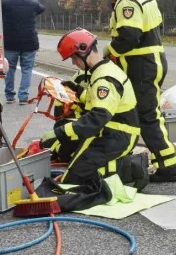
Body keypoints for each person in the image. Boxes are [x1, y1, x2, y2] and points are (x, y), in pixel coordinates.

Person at [102, 0, 176, 183]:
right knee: (145, 114)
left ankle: (169, 166)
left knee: (147, 117)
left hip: (142, 65)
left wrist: (111, 51)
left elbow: (129, 36)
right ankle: (165, 162)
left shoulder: (127, 0)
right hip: (148, 62)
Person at [40, 28, 145, 188]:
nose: (74, 63)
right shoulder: (101, 70)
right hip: (111, 131)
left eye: (74, 58)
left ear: (83, 52)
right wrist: (77, 90)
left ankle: (131, 168)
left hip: (118, 135)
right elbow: (98, 101)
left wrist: (60, 132)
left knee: (75, 179)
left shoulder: (104, 78)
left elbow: (96, 118)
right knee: (73, 170)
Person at [0, 0, 44, 103]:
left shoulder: (4, 3)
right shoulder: (33, 3)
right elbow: (41, 8)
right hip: (30, 43)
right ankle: (23, 97)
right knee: (27, 69)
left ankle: (9, 96)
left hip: (10, 43)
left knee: (10, 69)